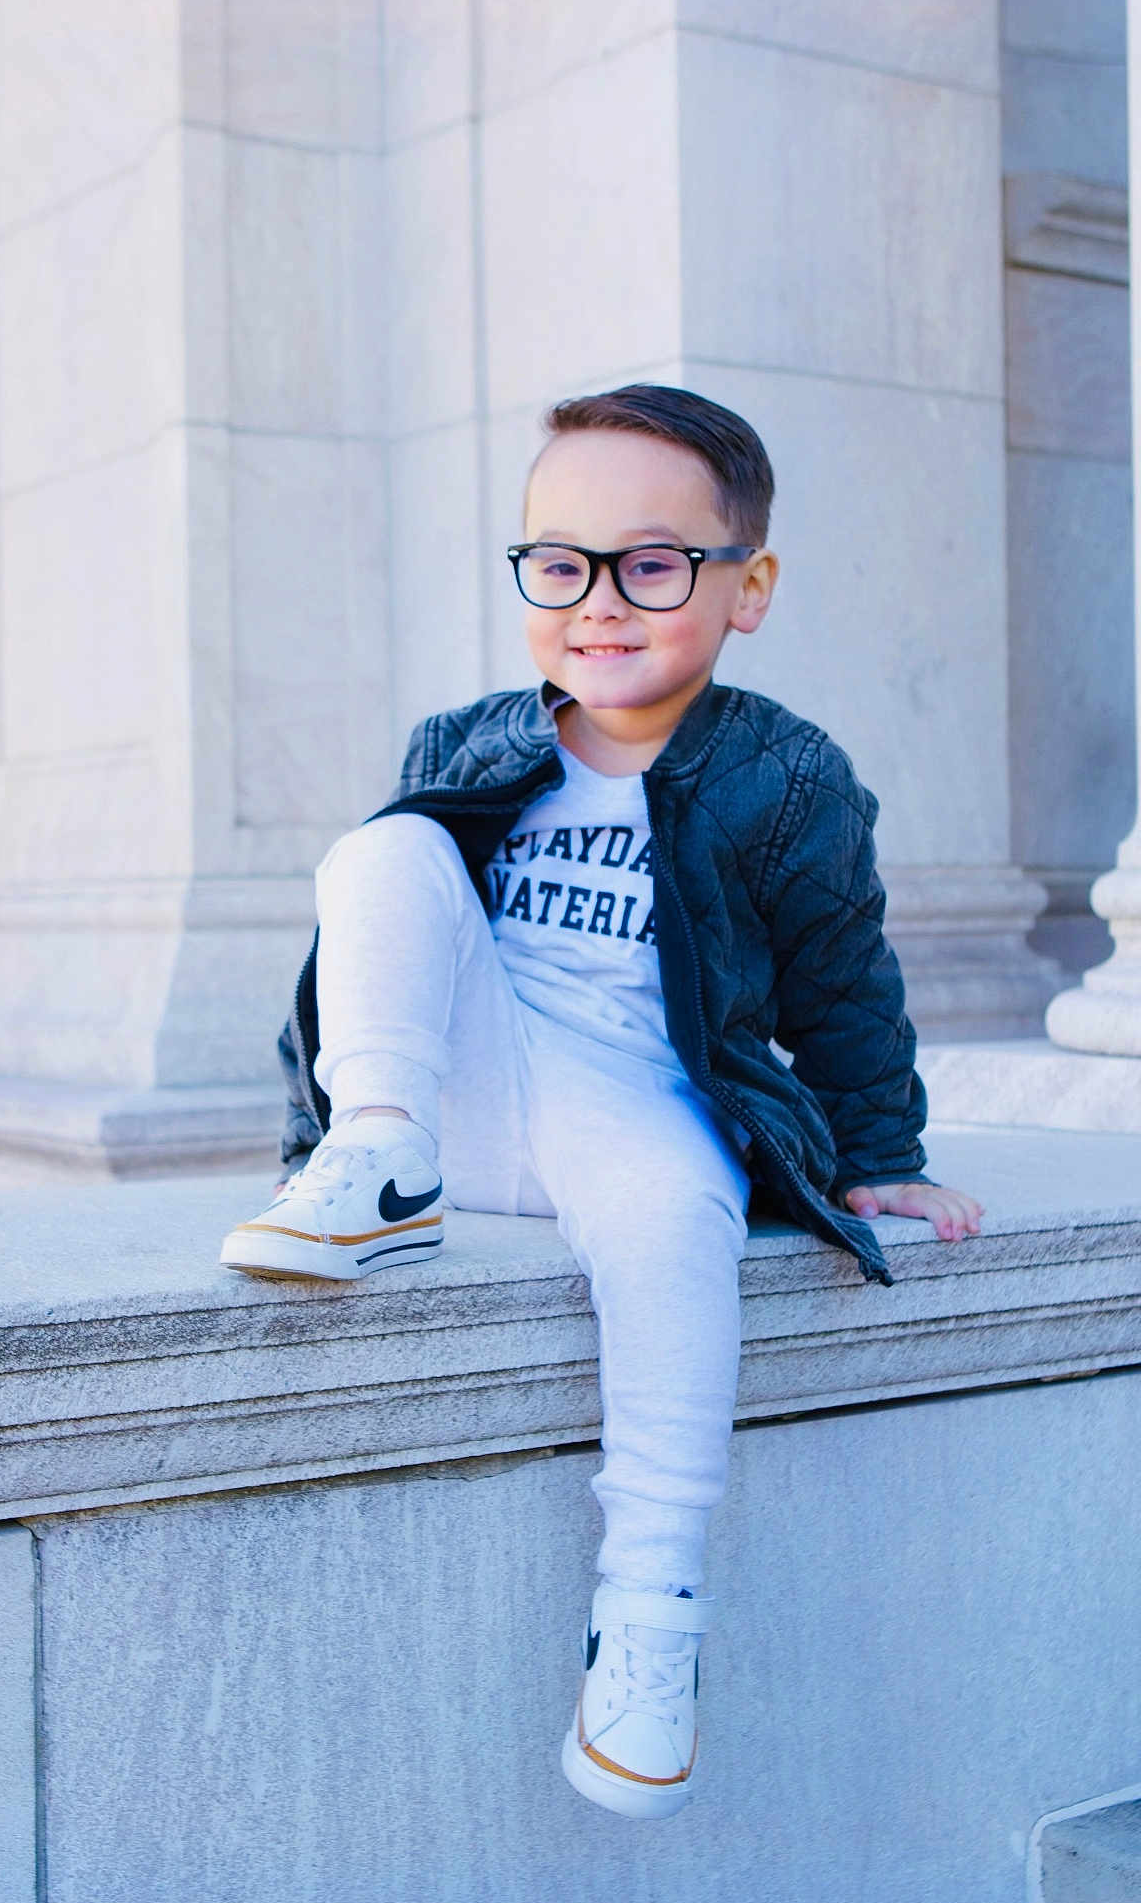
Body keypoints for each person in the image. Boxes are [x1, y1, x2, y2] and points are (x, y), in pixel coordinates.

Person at [219, 384, 984, 1821]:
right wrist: (315, 1136)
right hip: (458, 1102)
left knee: (677, 1230)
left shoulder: (785, 775)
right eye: (561, 564)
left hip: (637, 1107)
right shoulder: (470, 737)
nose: (600, 604)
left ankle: (648, 1614)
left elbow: (842, 975)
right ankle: (372, 1165)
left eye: (653, 564)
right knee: (381, 857)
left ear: (748, 587)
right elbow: (377, 956)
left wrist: (881, 1151)